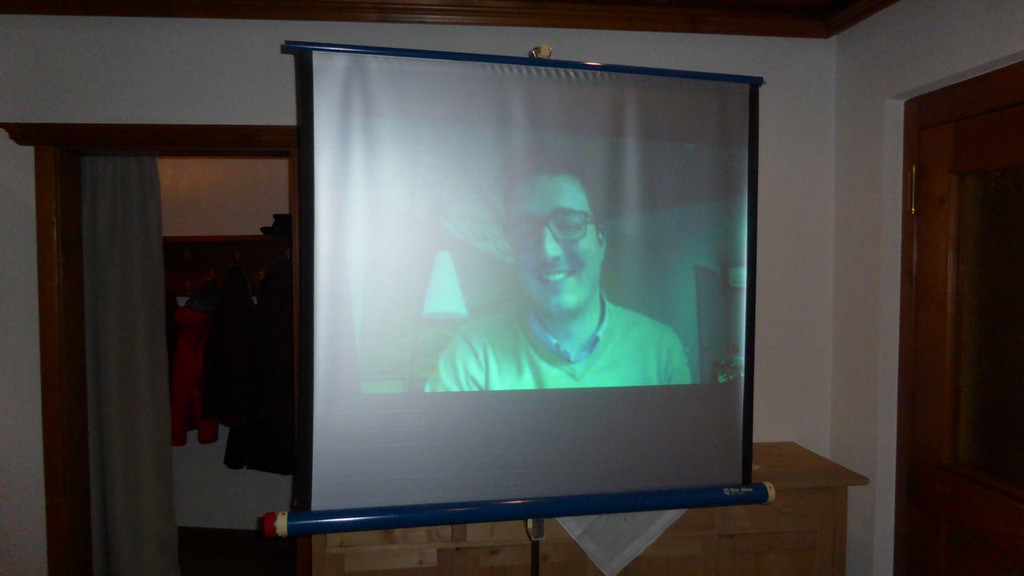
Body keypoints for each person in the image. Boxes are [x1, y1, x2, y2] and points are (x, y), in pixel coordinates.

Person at [425, 167, 692, 391]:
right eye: (525, 231)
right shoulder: (472, 357)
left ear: (600, 240)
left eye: (569, 224)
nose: (548, 251)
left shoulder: (660, 350)